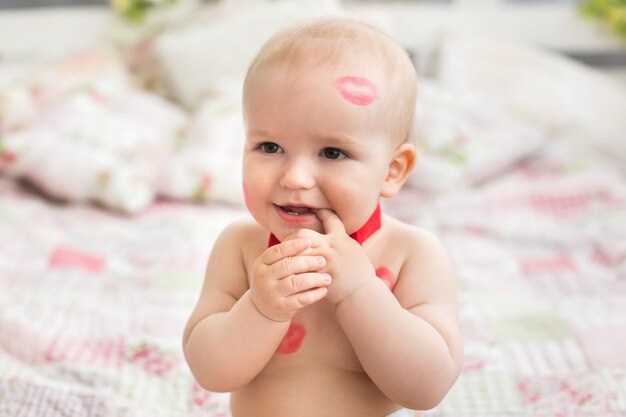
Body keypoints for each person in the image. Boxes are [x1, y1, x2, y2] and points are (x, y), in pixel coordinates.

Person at [182, 17, 463, 417]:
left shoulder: (411, 254)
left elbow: (427, 388)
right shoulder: (242, 248)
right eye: (270, 146)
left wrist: (360, 291)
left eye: (332, 153)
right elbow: (210, 371)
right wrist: (261, 309)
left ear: (392, 170)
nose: (294, 178)